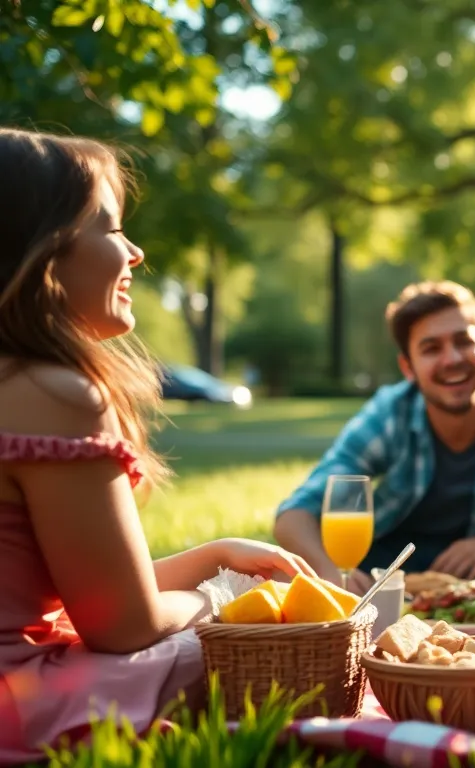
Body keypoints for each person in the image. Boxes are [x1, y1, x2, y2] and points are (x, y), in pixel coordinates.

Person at [0, 128, 315, 761]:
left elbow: (91, 597)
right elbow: (124, 627)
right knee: (267, 655)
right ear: (47, 251)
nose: (136, 253)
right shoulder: (54, 393)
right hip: (22, 702)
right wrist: (222, 599)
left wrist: (212, 555)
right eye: (113, 229)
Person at [273, 281, 475, 599]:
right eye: (431, 348)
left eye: (464, 342)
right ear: (408, 367)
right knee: (271, 575)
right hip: (386, 564)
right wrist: (332, 574)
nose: (452, 359)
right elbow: (294, 516)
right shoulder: (388, 415)